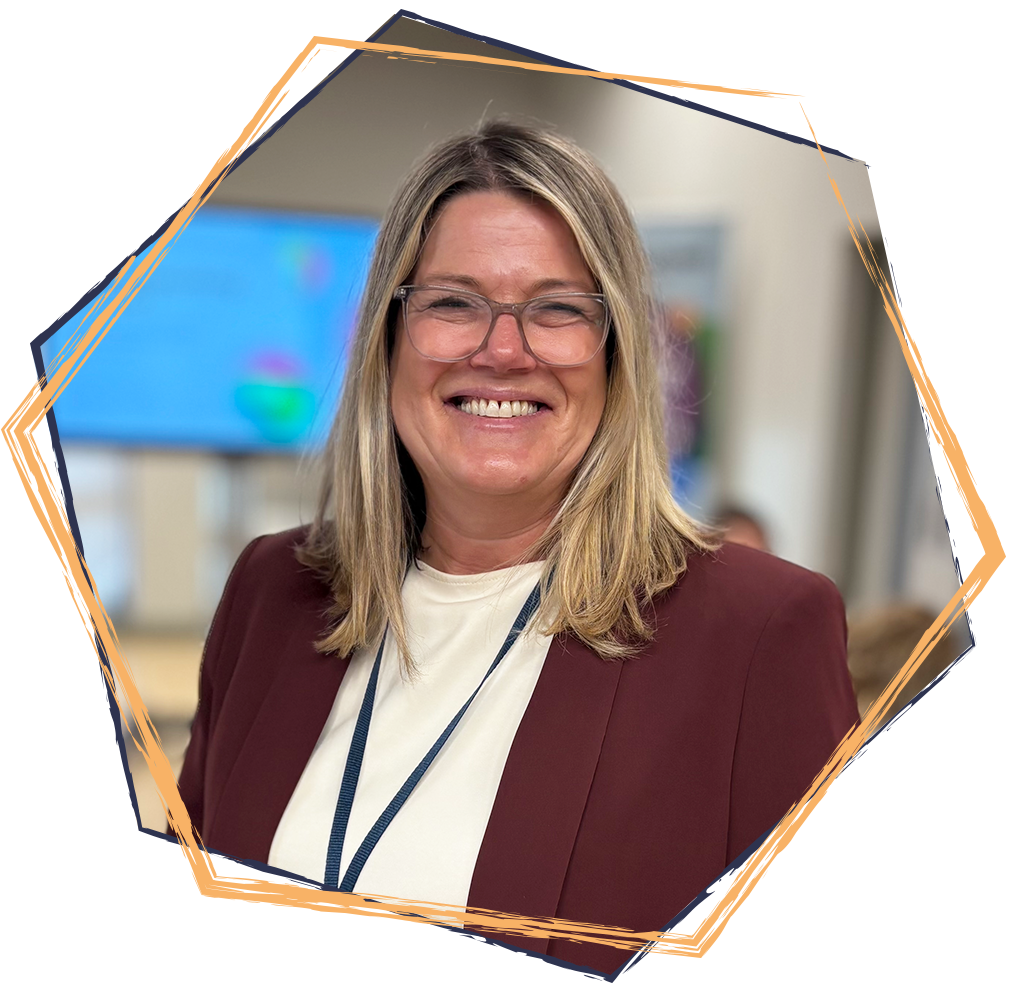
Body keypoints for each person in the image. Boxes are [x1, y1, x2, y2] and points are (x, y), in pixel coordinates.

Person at [142, 119, 868, 980]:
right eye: (453, 302)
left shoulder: (756, 634)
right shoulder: (274, 590)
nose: (502, 350)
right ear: (387, 336)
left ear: (618, 352)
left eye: (558, 309)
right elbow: (181, 944)